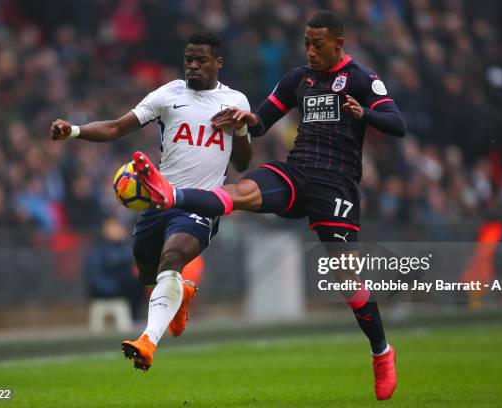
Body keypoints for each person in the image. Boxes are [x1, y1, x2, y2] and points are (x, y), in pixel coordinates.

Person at [132, 11, 405, 400]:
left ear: (339, 44)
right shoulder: (298, 79)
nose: (309, 51)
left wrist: (367, 112)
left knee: (347, 281)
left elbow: (397, 123)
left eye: (318, 44)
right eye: (306, 43)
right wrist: (245, 119)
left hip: (336, 187)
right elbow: (263, 122)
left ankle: (381, 351)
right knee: (239, 192)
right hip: (297, 172)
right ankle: (172, 194)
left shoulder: (362, 79)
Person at [50, 32, 252, 371]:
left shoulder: (235, 102)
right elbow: (116, 128)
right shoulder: (168, 94)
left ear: (218, 62)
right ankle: (180, 296)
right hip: (160, 200)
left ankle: (147, 342)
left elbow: (244, 163)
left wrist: (242, 130)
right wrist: (74, 131)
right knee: (146, 270)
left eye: (201, 60)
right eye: (188, 59)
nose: (193, 65)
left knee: (171, 258)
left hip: (201, 204)